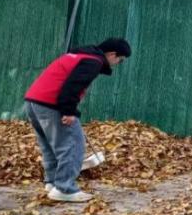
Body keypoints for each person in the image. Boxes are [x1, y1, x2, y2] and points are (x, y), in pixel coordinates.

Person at [24, 38, 132, 202]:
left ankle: (52, 183)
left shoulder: (78, 55)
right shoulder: (93, 61)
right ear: (112, 54)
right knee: (73, 144)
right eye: (120, 60)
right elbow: (73, 86)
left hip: (34, 101)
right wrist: (68, 111)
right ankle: (64, 188)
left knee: (50, 146)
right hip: (52, 104)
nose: (118, 63)